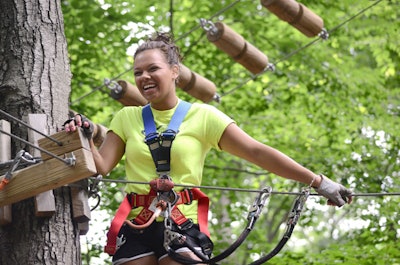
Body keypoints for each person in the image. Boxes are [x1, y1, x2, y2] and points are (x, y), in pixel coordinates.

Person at [64, 32, 352, 265]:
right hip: (137, 225)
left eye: (153, 69)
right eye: (138, 72)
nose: (144, 78)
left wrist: (317, 181)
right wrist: (86, 135)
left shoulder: (203, 116)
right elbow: (102, 166)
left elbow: (256, 151)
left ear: (175, 71)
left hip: (182, 223)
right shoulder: (127, 118)